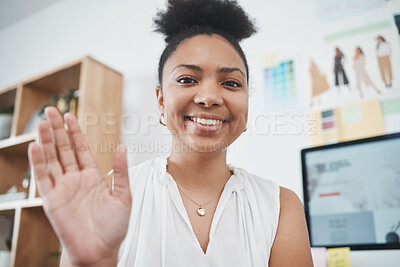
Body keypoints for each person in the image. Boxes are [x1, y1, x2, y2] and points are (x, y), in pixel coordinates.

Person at [28, 0, 313, 266]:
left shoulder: (280, 206)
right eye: (188, 79)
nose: (210, 96)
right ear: (161, 101)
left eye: (231, 83)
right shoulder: (112, 195)